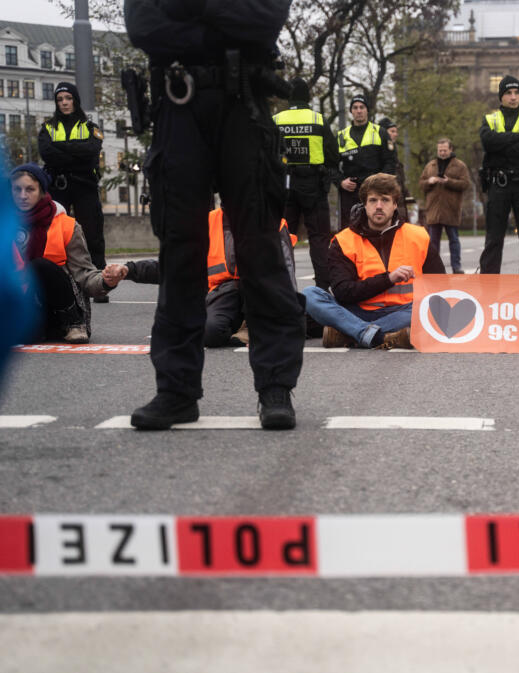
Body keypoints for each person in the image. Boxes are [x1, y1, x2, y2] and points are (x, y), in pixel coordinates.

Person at [125, 0, 305, 430]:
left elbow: (265, 19)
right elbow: (143, 26)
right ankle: (176, 391)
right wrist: (221, 24)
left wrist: (192, 9)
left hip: (244, 103)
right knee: (180, 251)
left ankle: (275, 387)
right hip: (177, 104)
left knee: (260, 248)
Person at [104, 208, 299, 348]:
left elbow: (286, 273)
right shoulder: (208, 223)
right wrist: (129, 269)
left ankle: (261, 325)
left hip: (263, 293)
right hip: (225, 294)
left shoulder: (272, 222)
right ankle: (244, 326)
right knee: (210, 333)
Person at [302, 173, 444, 349]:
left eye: (385, 200)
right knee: (310, 295)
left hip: (403, 311)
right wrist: (389, 278)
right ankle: (375, 335)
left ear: (394, 205)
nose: (378, 206)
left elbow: (439, 286)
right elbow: (343, 292)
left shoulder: (418, 236)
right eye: (373, 200)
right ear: (364, 204)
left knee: (430, 307)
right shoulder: (343, 240)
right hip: (355, 311)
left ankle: (349, 334)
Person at [10, 164, 121, 343]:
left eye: (30, 189)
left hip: (61, 308)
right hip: (26, 308)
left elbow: (84, 274)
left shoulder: (66, 225)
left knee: (40, 265)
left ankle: (73, 323)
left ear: (42, 192)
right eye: (17, 189)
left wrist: (106, 282)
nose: (23, 195)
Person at [273, 78, 341, 291]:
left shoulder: (276, 119)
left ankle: (283, 285)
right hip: (313, 184)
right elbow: (332, 154)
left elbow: (265, 152)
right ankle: (322, 287)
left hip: (284, 185)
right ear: (307, 97)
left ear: (289, 97)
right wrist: (326, 175)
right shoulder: (317, 119)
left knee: (283, 236)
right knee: (319, 238)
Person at [37, 82, 107, 282]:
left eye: (68, 98)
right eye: (60, 100)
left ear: (75, 100)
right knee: (55, 232)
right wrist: (77, 153)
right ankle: (56, 279)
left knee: (92, 233)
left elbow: (91, 152)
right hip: (58, 185)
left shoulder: (90, 128)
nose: (64, 103)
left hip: (85, 185)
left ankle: (99, 280)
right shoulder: (48, 127)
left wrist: (63, 149)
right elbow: (48, 155)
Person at [479, 75, 519, 274]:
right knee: (493, 240)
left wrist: (502, 148)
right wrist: (518, 140)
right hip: (499, 185)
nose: (513, 97)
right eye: (508, 93)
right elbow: (488, 143)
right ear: (501, 97)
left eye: (516, 93)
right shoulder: (489, 119)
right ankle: (488, 286)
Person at [336, 95, 396, 230]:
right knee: (350, 231)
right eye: (355, 108)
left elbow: (390, 161)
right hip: (350, 192)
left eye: (362, 107)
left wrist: (380, 182)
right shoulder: (341, 136)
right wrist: (340, 181)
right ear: (351, 111)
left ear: (367, 110)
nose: (359, 110)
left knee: (376, 229)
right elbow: (330, 166)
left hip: (375, 192)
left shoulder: (380, 132)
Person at [419, 138, 471, 274]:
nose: (442, 152)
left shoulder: (459, 166)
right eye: (440, 150)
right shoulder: (431, 165)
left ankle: (456, 267)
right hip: (433, 209)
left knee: (454, 240)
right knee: (433, 242)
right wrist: (429, 181)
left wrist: (449, 182)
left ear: (451, 150)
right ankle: (433, 268)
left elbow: (465, 184)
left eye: (444, 150)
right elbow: (421, 184)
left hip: (451, 209)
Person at [378, 118, 409, 222]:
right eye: (392, 131)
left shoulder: (394, 153)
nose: (396, 134)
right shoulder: (379, 155)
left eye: (396, 131)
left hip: (399, 201)